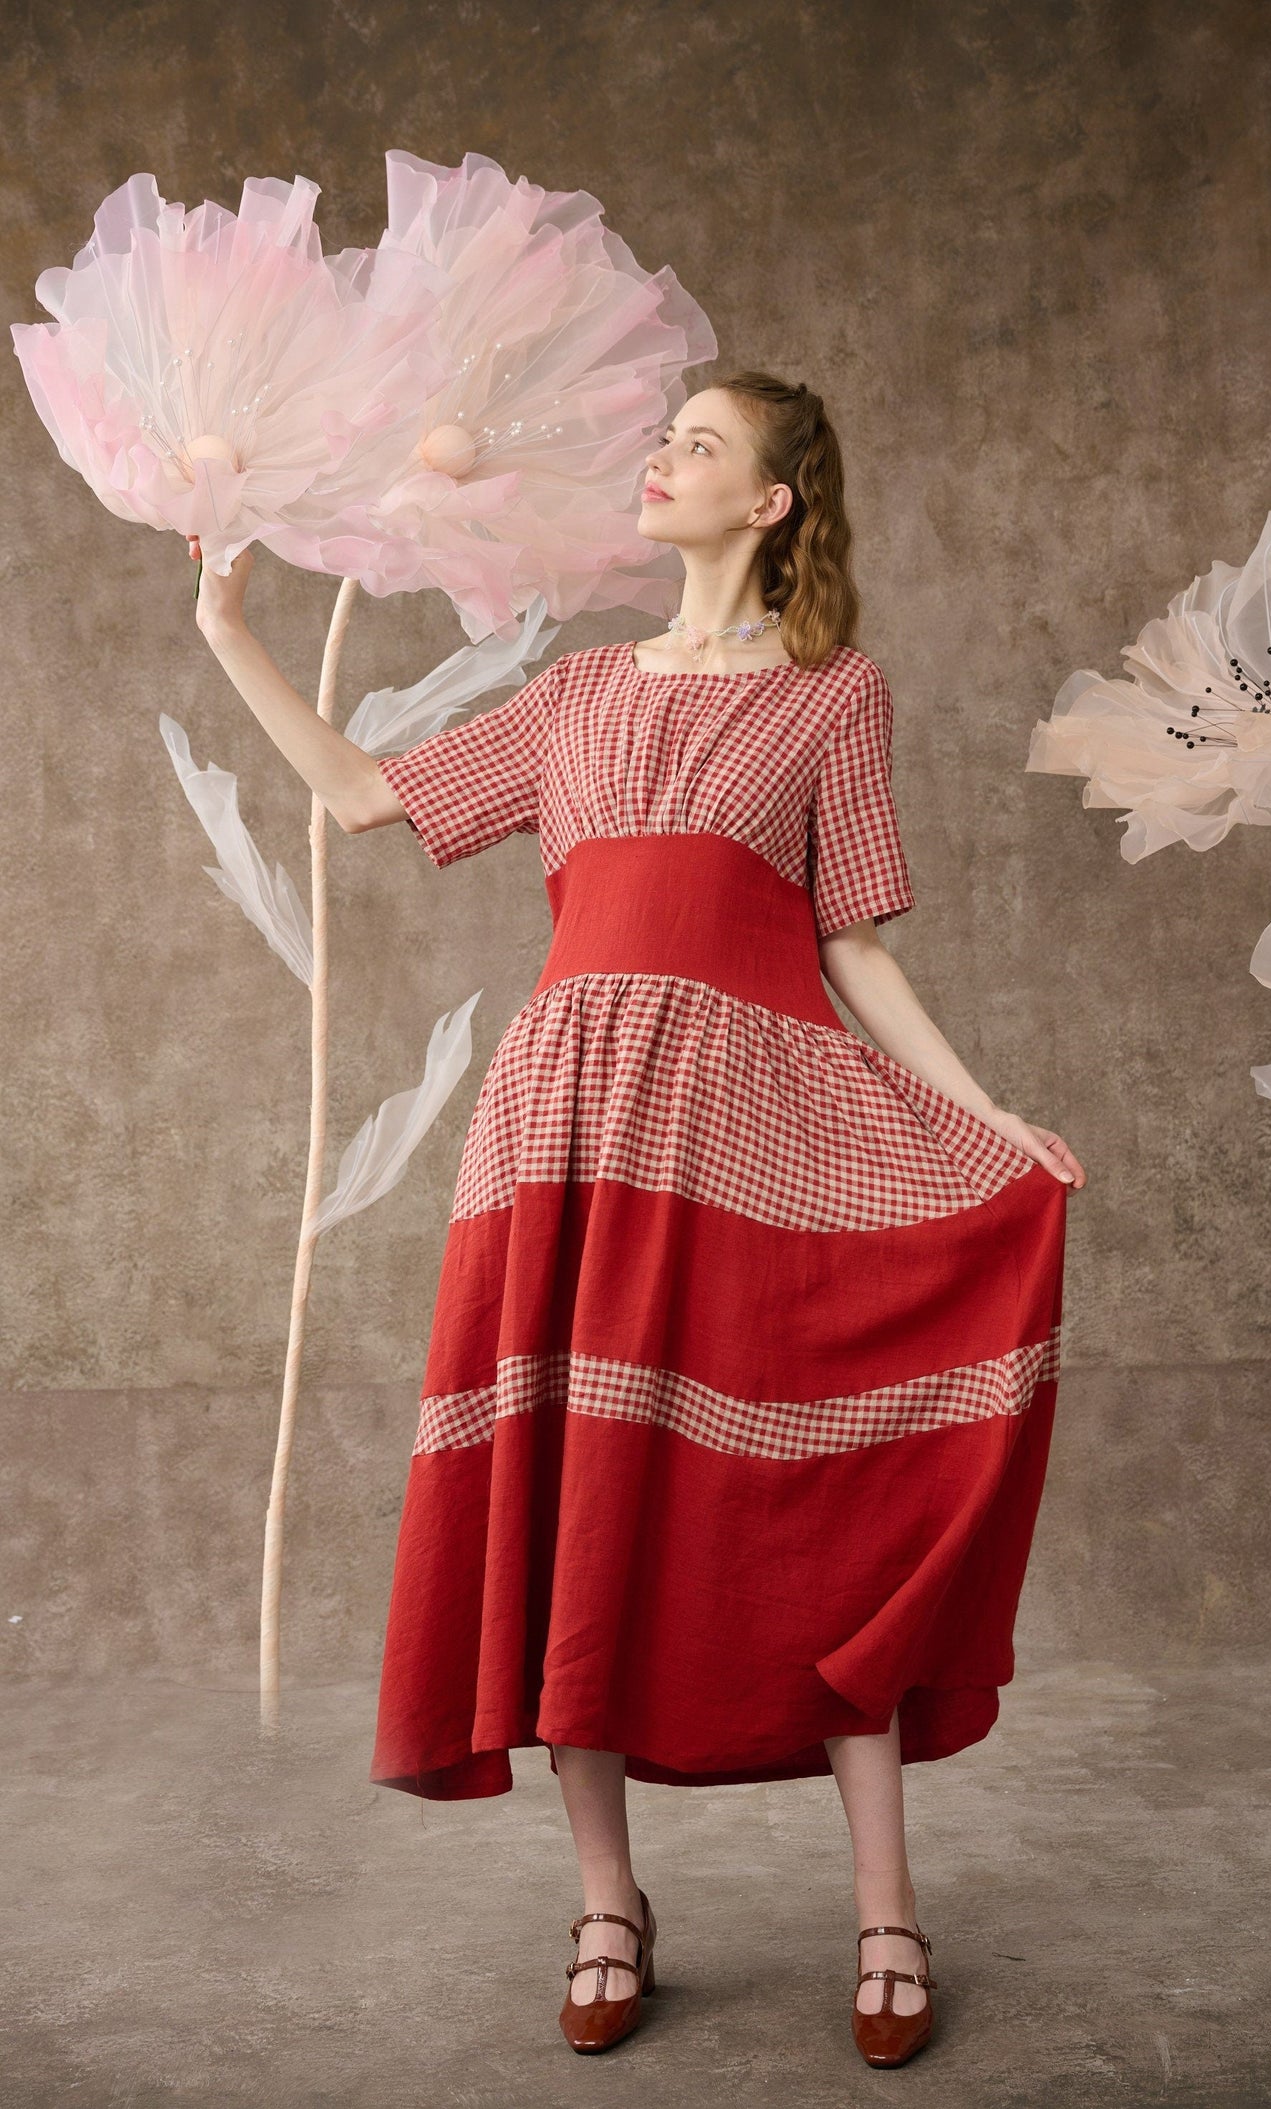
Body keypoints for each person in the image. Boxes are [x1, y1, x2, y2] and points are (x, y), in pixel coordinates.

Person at [189, 369, 1084, 2070]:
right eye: (661, 437)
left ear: (771, 501)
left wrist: (984, 1117)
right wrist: (229, 629)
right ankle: (608, 1900)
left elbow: (853, 941)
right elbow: (369, 797)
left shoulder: (833, 693)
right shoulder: (578, 691)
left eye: (696, 444)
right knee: (571, 1492)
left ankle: (886, 1910)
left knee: (810, 1495)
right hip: (567, 1121)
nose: (658, 460)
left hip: (757, 1131)